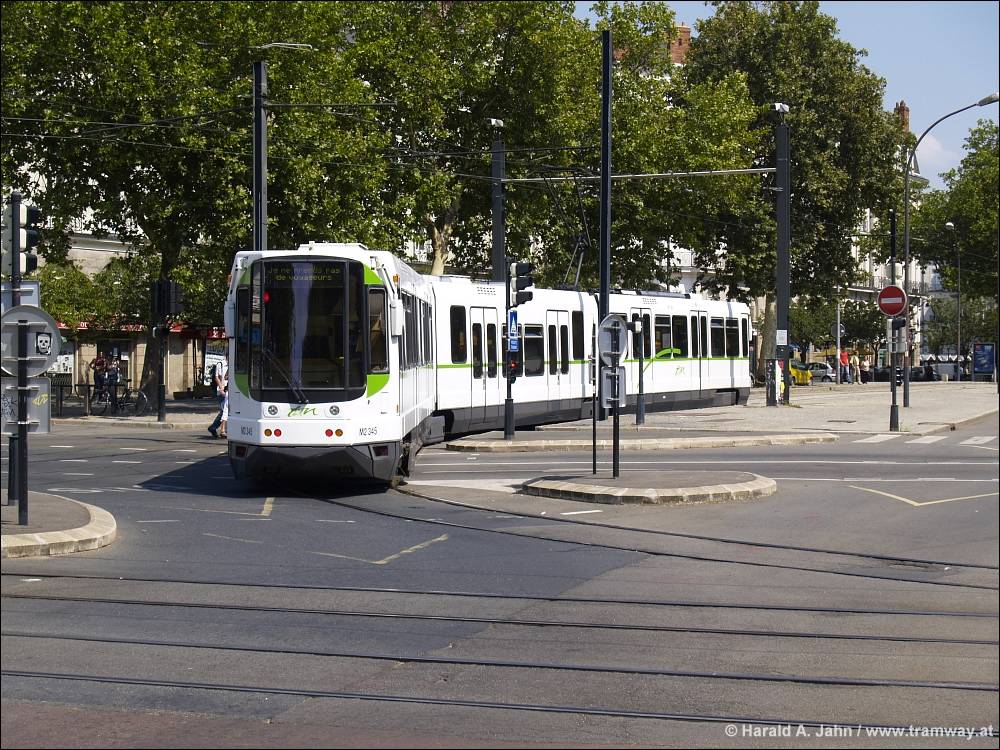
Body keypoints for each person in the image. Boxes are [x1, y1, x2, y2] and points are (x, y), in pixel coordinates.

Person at [208, 357, 228, 439]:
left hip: (230, 390)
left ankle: (214, 428)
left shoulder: (233, 363)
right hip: (222, 391)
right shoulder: (220, 364)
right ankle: (217, 428)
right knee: (224, 410)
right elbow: (216, 377)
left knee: (225, 411)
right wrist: (221, 388)